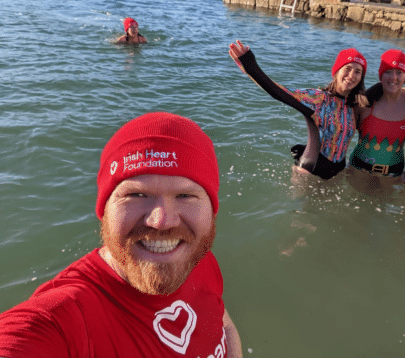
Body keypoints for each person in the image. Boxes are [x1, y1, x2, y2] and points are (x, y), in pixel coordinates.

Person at [0, 112, 243, 358]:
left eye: (185, 196)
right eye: (136, 195)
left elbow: (225, 326)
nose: (161, 221)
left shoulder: (195, 257)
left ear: (211, 209)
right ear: (103, 209)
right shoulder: (69, 317)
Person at [229, 40, 366, 180]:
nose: (351, 75)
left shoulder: (354, 105)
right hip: (310, 171)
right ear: (337, 71)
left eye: (357, 71)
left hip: (337, 171)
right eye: (347, 68)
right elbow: (279, 92)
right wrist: (249, 64)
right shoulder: (318, 99)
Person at [349, 49, 405, 177]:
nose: (393, 77)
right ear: (381, 75)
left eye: (399, 73)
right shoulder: (364, 102)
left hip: (393, 174)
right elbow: (342, 132)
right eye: (388, 72)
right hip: (358, 168)